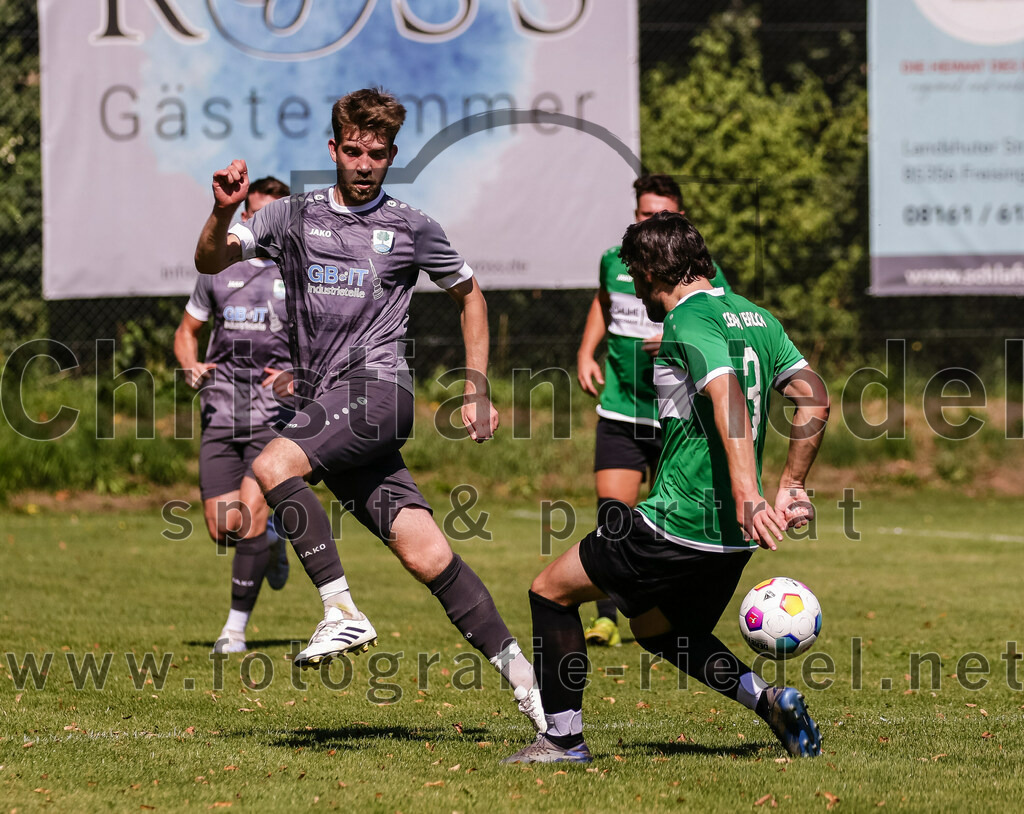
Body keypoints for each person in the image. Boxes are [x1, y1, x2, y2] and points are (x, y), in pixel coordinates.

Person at [193, 87, 544, 732]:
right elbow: (210, 260)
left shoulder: (412, 227)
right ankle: (531, 687)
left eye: (376, 154)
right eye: (351, 150)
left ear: (391, 157)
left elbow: (471, 296)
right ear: (332, 148)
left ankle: (340, 609)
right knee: (427, 554)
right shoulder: (290, 217)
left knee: (272, 467)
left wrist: (477, 387)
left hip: (380, 392)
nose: (362, 163)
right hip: (331, 406)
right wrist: (222, 212)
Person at [504, 212, 830, 763]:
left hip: (677, 521)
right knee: (660, 631)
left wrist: (751, 491)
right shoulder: (754, 316)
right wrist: (792, 484)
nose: (631, 285)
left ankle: (561, 739)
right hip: (733, 539)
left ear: (656, 269)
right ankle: (771, 702)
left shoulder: (688, 320)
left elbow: (726, 396)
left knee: (549, 592)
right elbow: (814, 396)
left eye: (635, 273)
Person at [576, 175, 730, 647]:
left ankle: (668, 613)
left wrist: (677, 335)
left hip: (677, 416)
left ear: (680, 219)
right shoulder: (615, 261)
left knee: (674, 516)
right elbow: (603, 302)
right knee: (613, 515)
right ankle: (607, 617)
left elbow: (720, 325)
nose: (651, 221)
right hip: (622, 407)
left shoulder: (706, 276)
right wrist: (587, 351)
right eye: (644, 213)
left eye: (663, 214)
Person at [175, 175, 293, 654]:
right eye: (255, 213)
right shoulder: (216, 271)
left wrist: (298, 376)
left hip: (275, 412)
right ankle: (274, 542)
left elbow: (332, 343)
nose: (262, 223)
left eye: (273, 216)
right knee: (222, 527)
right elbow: (186, 332)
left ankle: (233, 630)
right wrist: (190, 364)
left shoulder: (304, 272)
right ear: (245, 218)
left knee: (248, 518)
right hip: (222, 408)